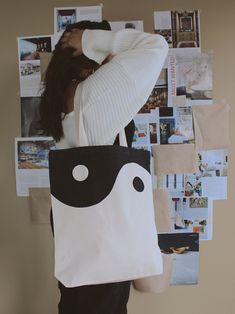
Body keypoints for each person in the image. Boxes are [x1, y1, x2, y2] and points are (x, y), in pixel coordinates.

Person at [40, 20, 168, 314]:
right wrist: (90, 38)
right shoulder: (94, 94)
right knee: (103, 304)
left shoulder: (65, 95)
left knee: (80, 297)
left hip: (81, 208)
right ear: (85, 49)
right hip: (104, 211)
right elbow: (155, 46)